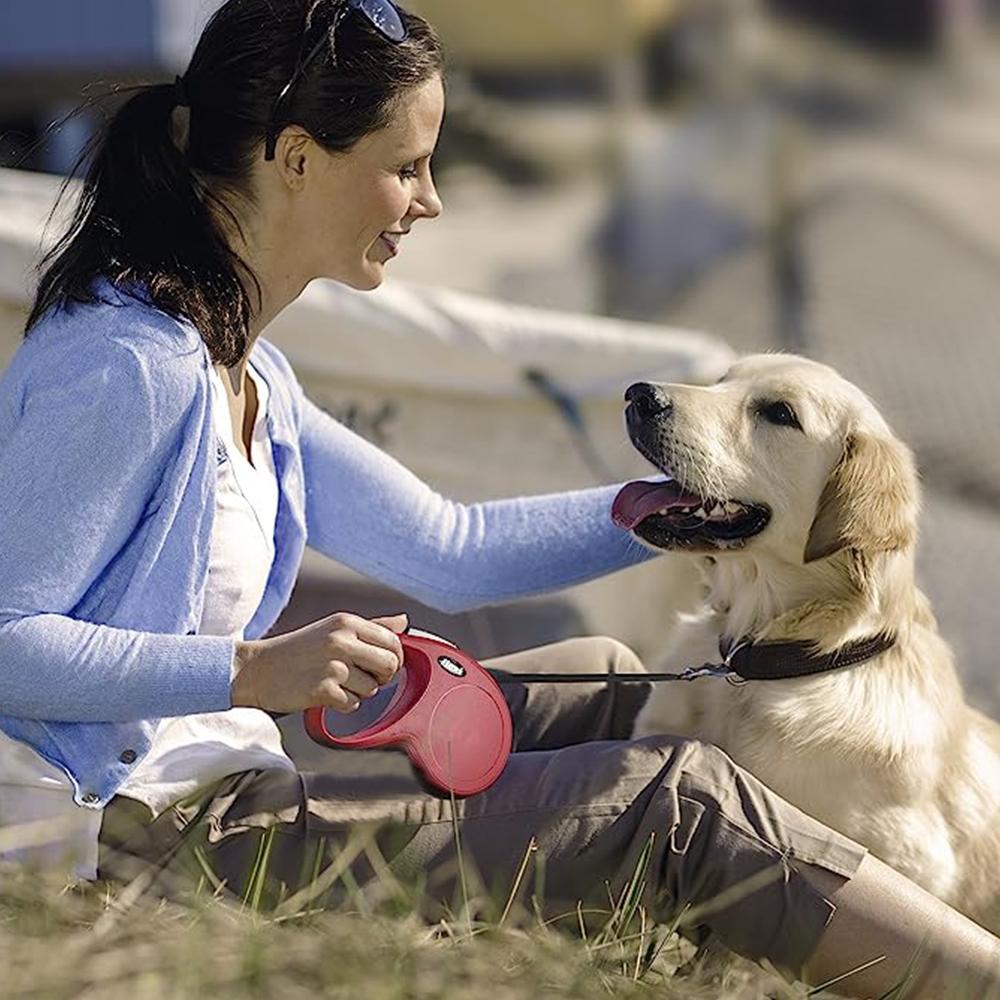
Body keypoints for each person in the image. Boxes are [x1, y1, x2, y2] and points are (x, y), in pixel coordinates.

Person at [0, 1, 997, 995]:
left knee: (606, 675)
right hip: (149, 842)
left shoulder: (250, 372)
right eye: (405, 167)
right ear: (295, 159)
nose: (428, 201)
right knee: (679, 802)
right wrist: (254, 670)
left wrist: (660, 508)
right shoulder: (127, 365)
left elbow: (452, 547)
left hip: (229, 777)